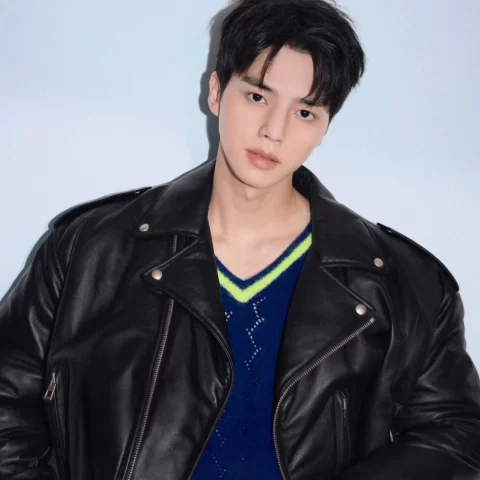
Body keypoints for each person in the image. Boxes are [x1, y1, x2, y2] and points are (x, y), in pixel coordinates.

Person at [1, 0, 479, 478]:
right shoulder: (91, 249)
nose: (274, 131)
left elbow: (456, 436)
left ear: (326, 126)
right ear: (216, 92)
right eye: (257, 97)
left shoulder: (405, 283)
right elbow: (8, 404)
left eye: (305, 111)